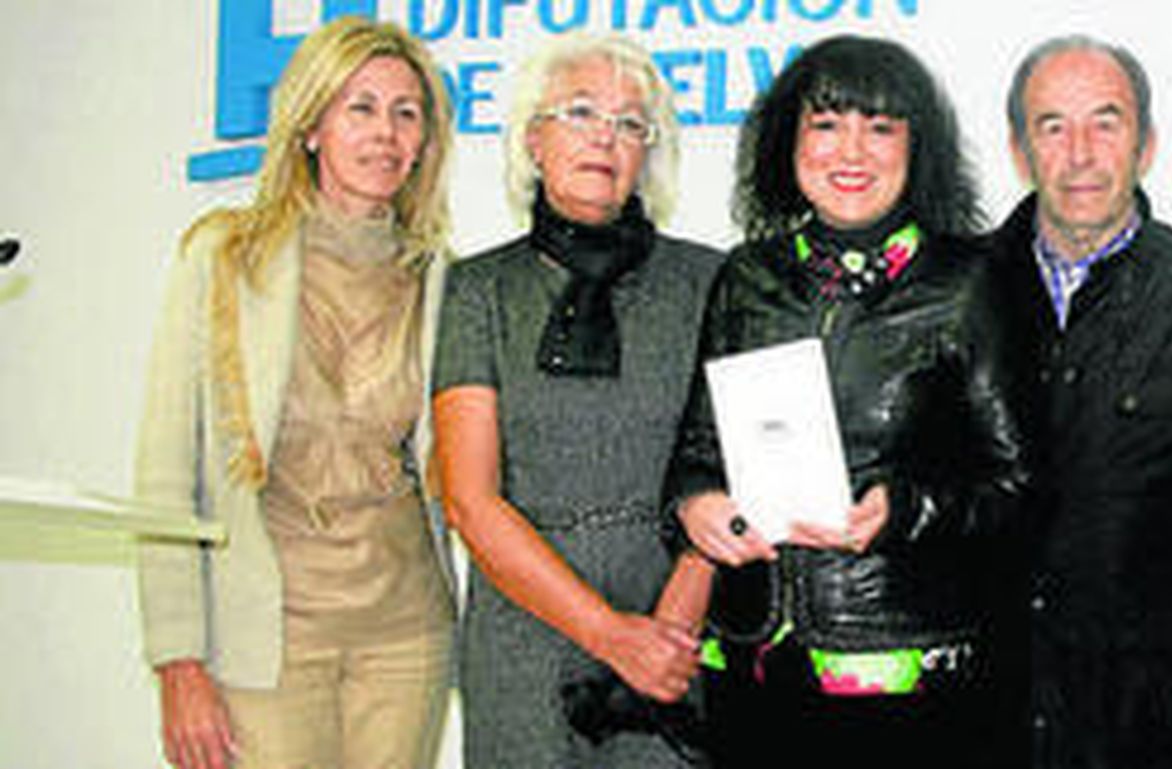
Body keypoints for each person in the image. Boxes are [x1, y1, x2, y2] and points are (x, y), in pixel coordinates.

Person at [661, 34, 1031, 768]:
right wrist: (696, 506)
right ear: (787, 143)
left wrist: (905, 508)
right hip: (754, 668)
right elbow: (695, 455)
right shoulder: (746, 277)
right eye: (827, 125)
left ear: (915, 147)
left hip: (906, 680)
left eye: (880, 127)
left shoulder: (969, 283)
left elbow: (1018, 485)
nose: (851, 152)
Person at [134, 17, 456, 769]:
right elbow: (164, 468)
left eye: (406, 113)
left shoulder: (439, 275)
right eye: (362, 108)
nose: (386, 133)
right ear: (311, 125)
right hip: (269, 633)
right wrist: (177, 661)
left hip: (406, 634)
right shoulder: (225, 255)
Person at [429, 34, 723, 769]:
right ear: (534, 138)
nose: (605, 135)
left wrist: (664, 633)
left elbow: (732, 467)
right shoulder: (477, 290)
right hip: (520, 626)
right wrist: (610, 635)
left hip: (674, 621)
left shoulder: (712, 281)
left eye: (630, 123)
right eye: (581, 111)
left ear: (648, 152)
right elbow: (468, 498)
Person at [986, 35, 1172, 769]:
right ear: (1019, 148)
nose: (1081, 152)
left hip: (1146, 724)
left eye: (1106, 122)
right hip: (986, 713)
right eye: (1052, 126)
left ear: (1147, 143)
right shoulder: (960, 290)